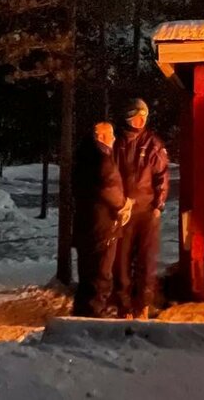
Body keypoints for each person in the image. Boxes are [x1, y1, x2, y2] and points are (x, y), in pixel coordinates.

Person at [113, 97, 170, 319]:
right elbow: (110, 174)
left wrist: (158, 205)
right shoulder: (117, 143)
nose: (139, 122)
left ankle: (142, 305)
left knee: (146, 261)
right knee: (122, 261)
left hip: (147, 210)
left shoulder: (152, 144)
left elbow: (162, 177)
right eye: (135, 117)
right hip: (123, 212)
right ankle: (124, 306)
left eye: (143, 118)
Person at [72, 121, 131, 317]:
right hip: (103, 224)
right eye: (111, 135)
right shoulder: (103, 160)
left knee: (87, 270)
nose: (114, 139)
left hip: (85, 223)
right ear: (102, 137)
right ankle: (97, 310)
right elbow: (110, 188)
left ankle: (83, 307)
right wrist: (123, 204)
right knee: (101, 271)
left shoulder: (82, 157)